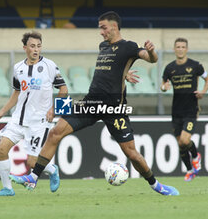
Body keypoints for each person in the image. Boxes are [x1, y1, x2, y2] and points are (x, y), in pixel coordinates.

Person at [10, 11, 180, 196]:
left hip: (114, 108)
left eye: (103, 27)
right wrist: (123, 74)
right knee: (55, 132)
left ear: (114, 26)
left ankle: (156, 186)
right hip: (91, 102)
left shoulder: (128, 47)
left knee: (131, 153)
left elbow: (151, 59)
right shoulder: (103, 46)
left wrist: (152, 51)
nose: (101, 32)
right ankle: (33, 178)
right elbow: (112, 70)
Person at [0, 31, 68, 196]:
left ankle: (52, 169)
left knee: (32, 162)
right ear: (25, 47)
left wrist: (55, 110)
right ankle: (7, 189)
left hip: (39, 122)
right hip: (18, 119)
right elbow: (17, 93)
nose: (36, 50)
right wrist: (2, 112)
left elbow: (64, 89)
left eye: (39, 46)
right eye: (32, 46)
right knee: (1, 150)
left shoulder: (50, 66)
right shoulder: (17, 68)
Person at [161, 38, 208, 181]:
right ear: (174, 49)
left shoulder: (195, 66)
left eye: (183, 47)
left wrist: (203, 91)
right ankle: (190, 170)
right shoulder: (169, 68)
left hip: (191, 109)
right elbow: (163, 84)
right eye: (178, 47)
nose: (180, 49)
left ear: (186, 49)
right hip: (176, 110)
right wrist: (164, 88)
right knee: (180, 144)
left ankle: (195, 155)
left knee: (184, 140)